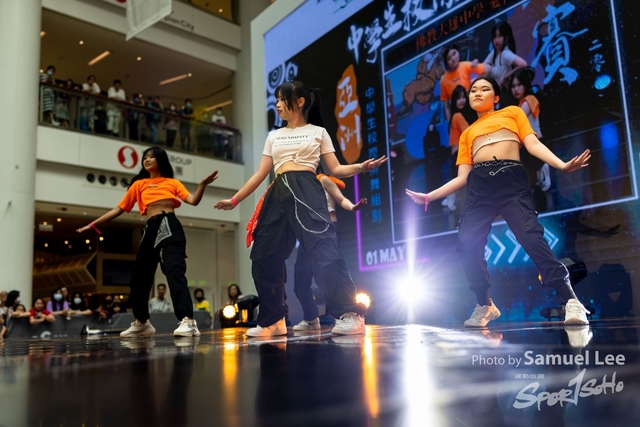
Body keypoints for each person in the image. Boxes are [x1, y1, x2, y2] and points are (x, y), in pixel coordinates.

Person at [405, 77, 591, 328]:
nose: (477, 93)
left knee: (530, 236)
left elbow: (532, 143)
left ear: (496, 97)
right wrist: (430, 196)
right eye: (473, 90)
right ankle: (485, 305)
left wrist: (562, 165)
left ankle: (570, 299)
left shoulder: (512, 113)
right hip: (480, 185)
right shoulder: (467, 133)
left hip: (510, 180)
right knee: (466, 242)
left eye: (484, 89)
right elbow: (462, 177)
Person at [214, 80, 387, 337]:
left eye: (281, 99)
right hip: (278, 193)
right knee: (263, 255)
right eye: (276, 100)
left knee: (324, 251)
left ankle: (351, 314)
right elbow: (261, 173)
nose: (277, 105)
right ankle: (273, 320)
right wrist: (235, 200)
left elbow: (336, 169)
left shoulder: (318, 132)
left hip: (307, 190)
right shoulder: (274, 136)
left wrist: (361, 167)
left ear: (300, 101)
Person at [77, 146, 218, 337]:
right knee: (139, 278)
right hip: (150, 228)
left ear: (160, 160)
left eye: (152, 157)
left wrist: (202, 185)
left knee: (174, 272)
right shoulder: (138, 185)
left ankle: (188, 321)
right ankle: (142, 322)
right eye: (145, 157)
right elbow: (118, 209)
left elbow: (193, 201)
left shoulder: (172, 182)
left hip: (169, 224)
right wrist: (93, 225)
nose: (147, 159)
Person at [292, 173, 367, 331]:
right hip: (307, 234)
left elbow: (341, 199)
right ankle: (311, 318)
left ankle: (350, 314)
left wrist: (352, 206)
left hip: (327, 230)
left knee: (330, 273)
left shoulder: (323, 180)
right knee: (300, 280)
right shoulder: (297, 186)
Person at [510, 67, 552, 212]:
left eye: (519, 85)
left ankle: (542, 167)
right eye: (513, 86)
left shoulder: (530, 99)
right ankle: (539, 172)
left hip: (535, 144)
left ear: (525, 85)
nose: (516, 89)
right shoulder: (521, 103)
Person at [440, 45, 484, 121]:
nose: (453, 59)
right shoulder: (444, 80)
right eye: (449, 58)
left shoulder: (465, 66)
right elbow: (446, 107)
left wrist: (473, 82)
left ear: (458, 52)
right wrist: (451, 124)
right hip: (459, 116)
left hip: (473, 108)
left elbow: (486, 69)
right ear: (446, 62)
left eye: (454, 54)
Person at [483, 21, 527, 90]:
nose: (496, 40)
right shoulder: (494, 52)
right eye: (495, 37)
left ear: (505, 37)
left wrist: (506, 77)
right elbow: (483, 67)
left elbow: (523, 64)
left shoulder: (505, 54)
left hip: (504, 91)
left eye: (500, 36)